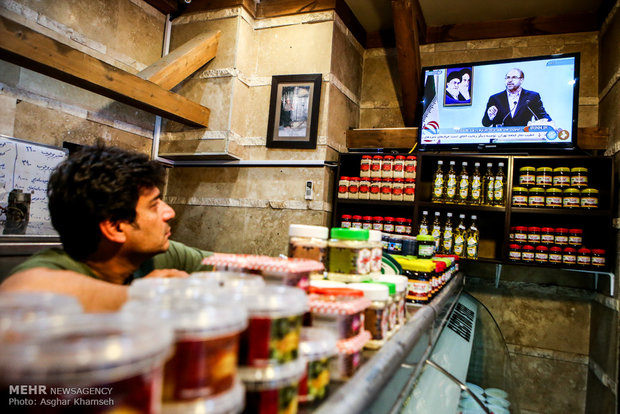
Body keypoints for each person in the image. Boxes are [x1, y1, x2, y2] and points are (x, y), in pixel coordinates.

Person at [0, 145, 212, 311]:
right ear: (115, 227)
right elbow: (17, 294)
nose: (170, 212)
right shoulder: (55, 269)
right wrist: (145, 295)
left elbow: (234, 266)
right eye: (154, 204)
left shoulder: (158, 255)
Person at [482, 68, 552, 127]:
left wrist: (550, 124)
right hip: (500, 140)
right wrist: (490, 117)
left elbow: (542, 116)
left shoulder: (532, 97)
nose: (509, 80)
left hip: (522, 139)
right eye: (507, 77)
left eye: (514, 77)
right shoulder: (495, 98)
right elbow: (485, 123)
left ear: (521, 80)